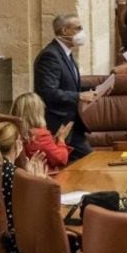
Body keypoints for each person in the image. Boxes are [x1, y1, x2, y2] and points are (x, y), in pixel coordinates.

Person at [33, 13, 99, 161]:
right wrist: (78, 96)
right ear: (64, 31)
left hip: (72, 122)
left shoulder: (66, 54)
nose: (82, 33)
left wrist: (96, 89)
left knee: (85, 163)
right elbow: (47, 92)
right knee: (89, 161)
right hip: (58, 123)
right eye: (78, 28)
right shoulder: (50, 56)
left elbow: (70, 85)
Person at [0, 122, 48, 253]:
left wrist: (27, 178)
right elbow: (37, 214)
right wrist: (38, 184)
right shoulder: (15, 175)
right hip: (14, 246)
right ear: (18, 145)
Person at [12, 92, 72, 171]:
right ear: (37, 113)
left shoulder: (14, 132)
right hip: (44, 178)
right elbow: (61, 159)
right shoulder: (39, 136)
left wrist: (54, 139)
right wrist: (61, 139)